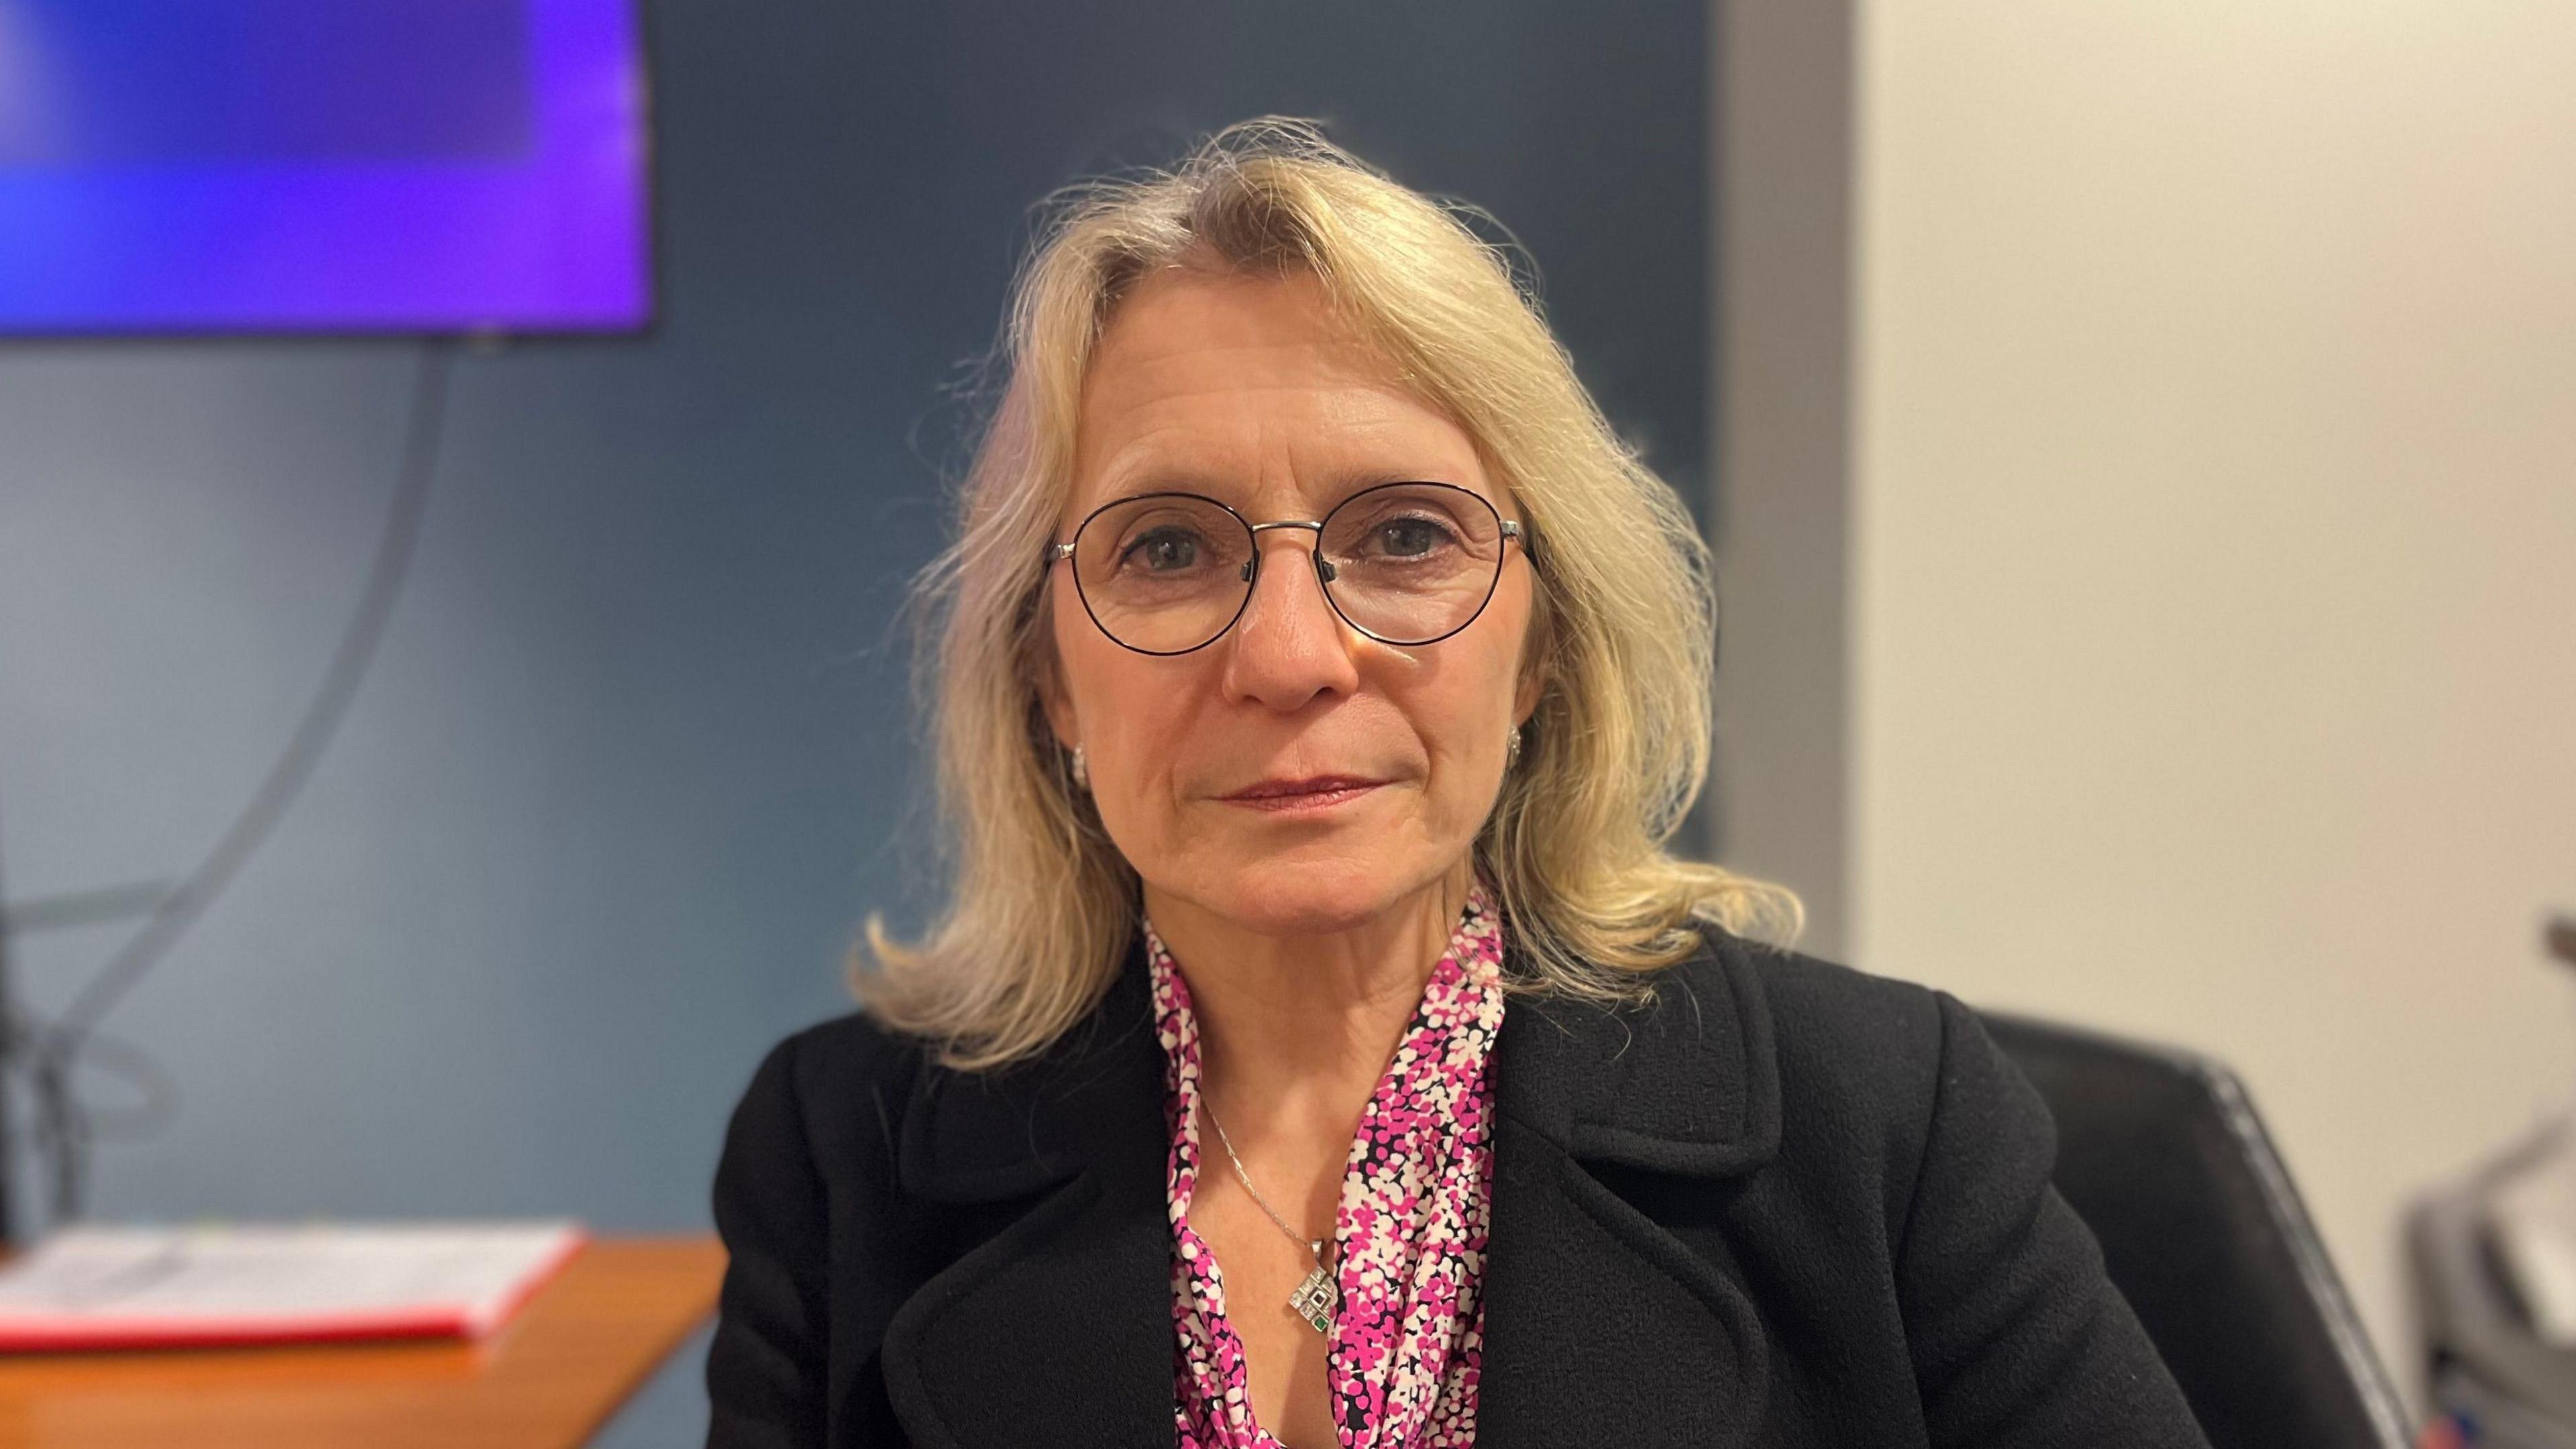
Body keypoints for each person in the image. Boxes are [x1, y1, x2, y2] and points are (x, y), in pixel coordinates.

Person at [705, 118, 2210, 1448]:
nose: (1292, 657)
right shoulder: (838, 1156)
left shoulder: (1888, 1123)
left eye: (1407, 536)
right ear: (1044, 678)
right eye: (1166, 546)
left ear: (1542, 639)